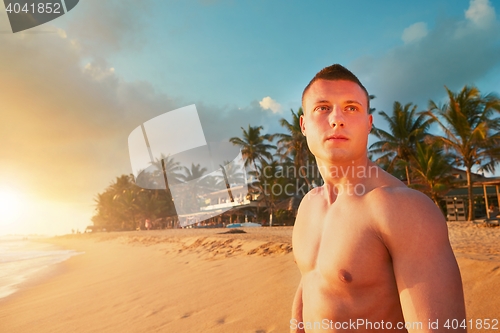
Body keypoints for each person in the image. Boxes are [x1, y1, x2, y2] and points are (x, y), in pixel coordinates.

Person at [291, 64, 466, 332]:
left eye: (351, 108)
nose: (337, 118)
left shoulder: (403, 209)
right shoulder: (308, 205)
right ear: (304, 124)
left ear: (369, 124)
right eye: (323, 107)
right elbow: (312, 282)